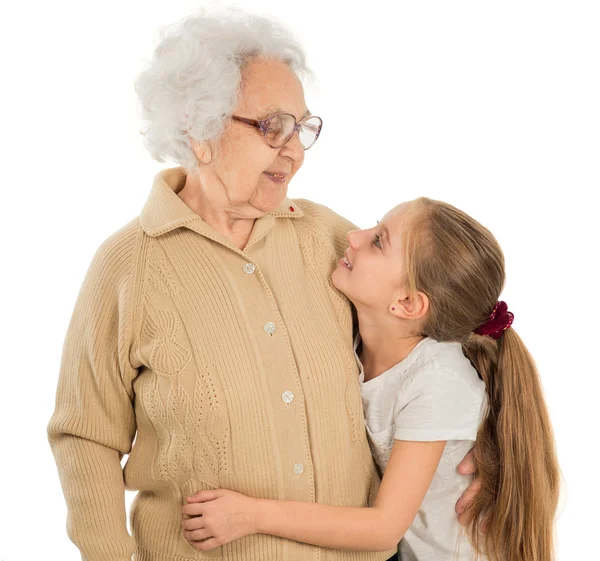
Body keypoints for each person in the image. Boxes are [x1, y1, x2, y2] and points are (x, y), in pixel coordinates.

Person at [47, 10, 477, 561]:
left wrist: (479, 451)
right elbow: (85, 436)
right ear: (199, 131)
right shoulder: (130, 266)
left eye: (302, 128)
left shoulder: (328, 237)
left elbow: (438, 320)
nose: (294, 149)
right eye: (273, 126)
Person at [180, 198, 560, 561]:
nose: (354, 236)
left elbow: (383, 528)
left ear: (408, 304)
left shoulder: (436, 382)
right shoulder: (360, 339)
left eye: (379, 240)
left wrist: (251, 515)